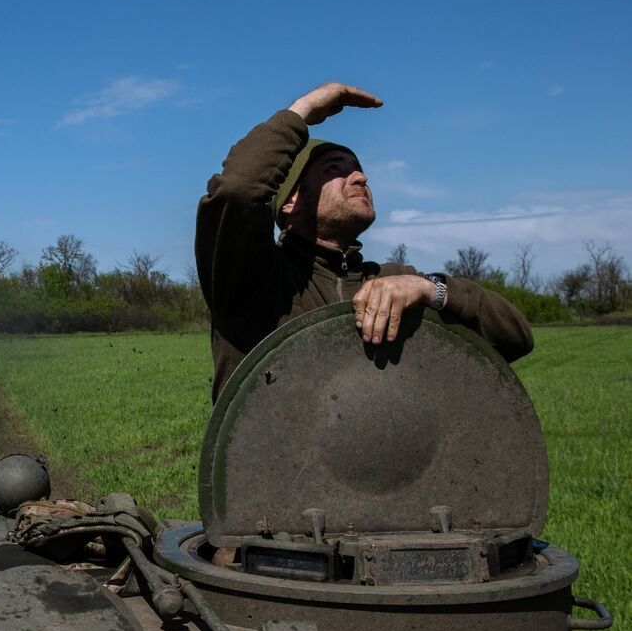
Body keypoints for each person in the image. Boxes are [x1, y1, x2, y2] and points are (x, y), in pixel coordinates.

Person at [196, 82, 533, 402]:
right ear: (290, 201)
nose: (360, 176)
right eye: (333, 169)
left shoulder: (395, 281)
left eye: (357, 169)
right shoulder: (252, 280)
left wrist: (432, 289)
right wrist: (301, 111)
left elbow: (515, 338)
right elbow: (236, 192)